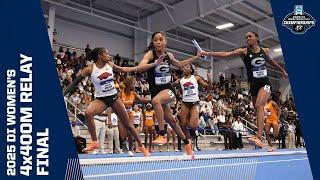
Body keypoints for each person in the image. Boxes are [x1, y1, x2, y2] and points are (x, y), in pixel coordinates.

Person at [63, 47, 163, 156]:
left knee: (128, 125)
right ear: (100, 55)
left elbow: (129, 69)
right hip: (101, 99)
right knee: (88, 113)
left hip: (114, 97)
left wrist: (154, 64)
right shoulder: (90, 69)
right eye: (106, 53)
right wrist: (63, 94)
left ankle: (142, 147)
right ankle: (95, 142)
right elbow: (74, 83)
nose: (108, 55)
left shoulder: (110, 65)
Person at [202, 31, 288, 148]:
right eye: (246, 37)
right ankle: (263, 137)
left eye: (250, 36)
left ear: (257, 38)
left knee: (259, 106)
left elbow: (271, 62)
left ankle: (258, 137)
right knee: (257, 109)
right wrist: (208, 53)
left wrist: (282, 70)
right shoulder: (244, 51)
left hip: (265, 83)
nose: (248, 39)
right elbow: (226, 54)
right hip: (253, 85)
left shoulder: (265, 50)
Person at [139, 31, 203, 155]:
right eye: (156, 40)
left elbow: (180, 65)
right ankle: (187, 144)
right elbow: (140, 68)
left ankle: (162, 134)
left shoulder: (169, 55)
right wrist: (155, 63)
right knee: (172, 121)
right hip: (156, 92)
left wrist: (197, 57)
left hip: (168, 91)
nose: (158, 41)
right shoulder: (150, 55)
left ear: (165, 41)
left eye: (161, 39)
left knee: (155, 101)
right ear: (153, 42)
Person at [173, 65, 212, 144]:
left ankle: (197, 120)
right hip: (185, 103)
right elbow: (170, 85)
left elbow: (208, 87)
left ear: (191, 70)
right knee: (183, 125)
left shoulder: (196, 78)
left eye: (187, 67)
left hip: (194, 103)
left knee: (192, 126)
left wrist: (209, 79)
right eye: (184, 67)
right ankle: (189, 142)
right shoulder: (180, 80)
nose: (184, 68)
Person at [119, 77, 150, 156]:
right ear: (129, 85)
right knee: (123, 135)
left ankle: (130, 149)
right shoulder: (120, 93)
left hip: (130, 115)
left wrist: (151, 100)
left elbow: (141, 100)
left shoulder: (134, 94)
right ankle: (123, 145)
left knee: (130, 132)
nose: (135, 85)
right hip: (122, 114)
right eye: (133, 84)